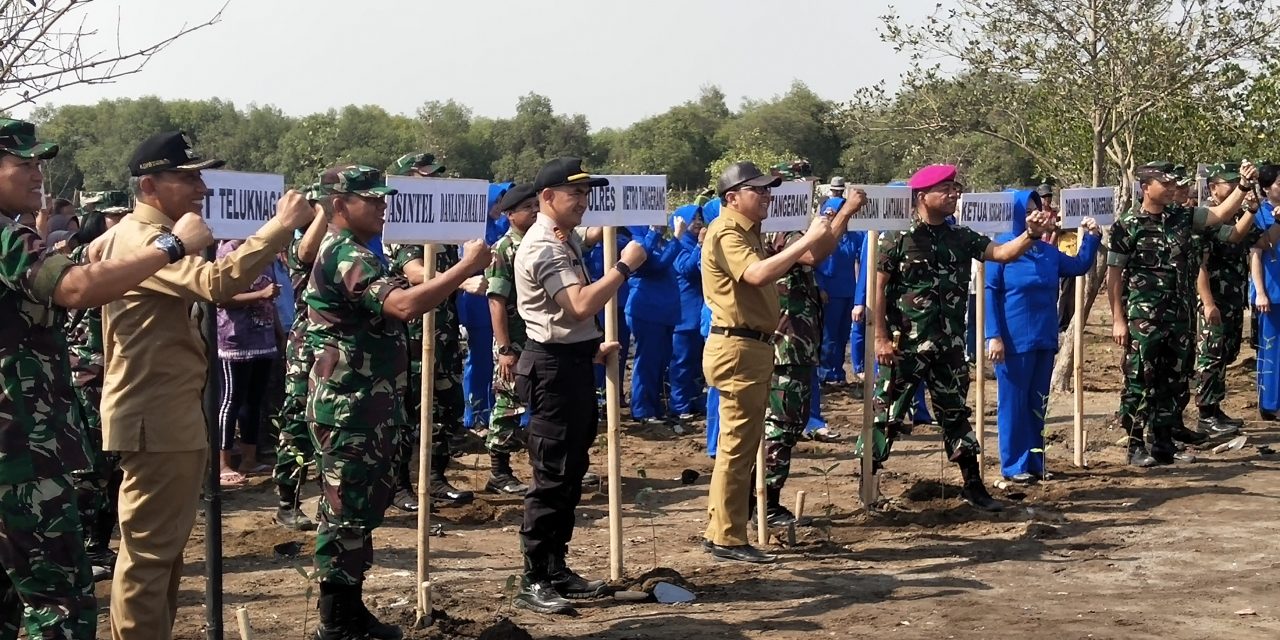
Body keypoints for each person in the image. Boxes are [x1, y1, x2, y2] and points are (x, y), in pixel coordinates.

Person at [0, 118, 217, 639]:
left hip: (21, 445)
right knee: (61, 604)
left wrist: (77, 257)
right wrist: (171, 246)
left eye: (38, 163)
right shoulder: (6, 233)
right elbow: (74, 290)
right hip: (19, 450)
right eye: (22, 163)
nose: (37, 174)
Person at [98, 130, 311, 639]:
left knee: (164, 553)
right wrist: (280, 227)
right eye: (187, 177)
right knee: (150, 555)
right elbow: (217, 283)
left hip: (167, 411)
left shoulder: (146, 236)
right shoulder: (143, 239)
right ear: (150, 185)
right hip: (155, 414)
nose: (201, 188)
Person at [305, 165, 488, 639]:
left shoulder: (363, 252)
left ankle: (349, 610)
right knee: (344, 510)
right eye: (372, 200)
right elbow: (403, 306)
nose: (384, 206)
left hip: (369, 403)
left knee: (359, 508)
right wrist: (464, 268)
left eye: (385, 198)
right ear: (340, 205)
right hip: (349, 407)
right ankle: (337, 621)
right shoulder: (345, 253)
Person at [868, 164, 1056, 512]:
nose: (954, 194)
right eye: (946, 190)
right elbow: (877, 290)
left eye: (956, 188)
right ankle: (869, 485)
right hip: (905, 346)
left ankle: (973, 485)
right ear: (922, 196)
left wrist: (1030, 235)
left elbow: (1001, 254)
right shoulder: (897, 237)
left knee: (956, 414)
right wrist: (880, 337)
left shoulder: (960, 236)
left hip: (949, 346)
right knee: (887, 413)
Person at [511, 158, 647, 614]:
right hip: (551, 370)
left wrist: (588, 348)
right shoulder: (544, 247)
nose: (584, 202)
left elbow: (565, 320)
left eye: (587, 194)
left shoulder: (561, 240)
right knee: (551, 477)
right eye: (576, 194)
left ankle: (555, 568)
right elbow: (577, 305)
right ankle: (533, 578)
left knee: (569, 473)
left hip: (568, 363)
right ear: (547, 197)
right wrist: (624, 268)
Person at [700, 161, 839, 564]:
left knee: (741, 446)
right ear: (732, 198)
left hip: (753, 345)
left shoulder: (747, 232)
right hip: (738, 346)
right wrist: (805, 239)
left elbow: (809, 256)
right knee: (737, 447)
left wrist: (828, 224)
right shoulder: (727, 232)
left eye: (768, 189)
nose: (767, 196)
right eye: (758, 190)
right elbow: (758, 275)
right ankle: (727, 537)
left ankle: (722, 529)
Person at [1108, 160, 1258, 467]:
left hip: (1179, 317)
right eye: (1166, 183)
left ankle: (1163, 442)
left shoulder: (1181, 217)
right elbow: (1114, 277)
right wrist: (1118, 320)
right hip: (1143, 320)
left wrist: (1243, 188)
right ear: (1145, 187)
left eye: (1175, 183)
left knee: (1174, 381)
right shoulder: (1127, 224)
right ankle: (1136, 444)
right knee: (1139, 379)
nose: (1172, 187)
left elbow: (1219, 215)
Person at [985, 190, 1101, 482]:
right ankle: (1013, 465)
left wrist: (1091, 238)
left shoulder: (1047, 252)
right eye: (1027, 211)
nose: (1036, 214)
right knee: (1013, 402)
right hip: (1012, 341)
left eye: (1038, 208)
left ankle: (1036, 462)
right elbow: (990, 294)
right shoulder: (1000, 249)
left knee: (1038, 401)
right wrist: (993, 335)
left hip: (1044, 337)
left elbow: (1078, 266)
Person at [762, 194, 863, 525]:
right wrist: (844, 213)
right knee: (780, 424)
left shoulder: (788, 234)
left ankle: (766, 500)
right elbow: (815, 253)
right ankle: (766, 503)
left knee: (790, 423)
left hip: (800, 347)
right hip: (783, 347)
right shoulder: (773, 236)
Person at [67, 200, 133, 582]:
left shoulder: (120, 270)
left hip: (114, 377)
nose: (121, 224)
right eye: (113, 218)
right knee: (93, 468)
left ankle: (99, 544)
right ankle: (88, 548)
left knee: (113, 467)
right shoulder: (79, 264)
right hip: (89, 379)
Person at [1194, 163, 1275, 435]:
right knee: (1210, 356)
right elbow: (1200, 267)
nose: (1234, 187)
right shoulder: (1207, 218)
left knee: (1224, 354)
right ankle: (1205, 413)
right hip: (1213, 298)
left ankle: (1215, 409)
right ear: (1213, 187)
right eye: (1228, 183)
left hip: (1232, 298)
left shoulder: (1236, 215)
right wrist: (1207, 303)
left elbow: (1262, 243)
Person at [273, 185, 330, 530]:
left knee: (328, 425)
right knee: (296, 423)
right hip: (306, 347)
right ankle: (287, 502)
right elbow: (306, 254)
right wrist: (326, 209)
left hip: (335, 349)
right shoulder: (296, 242)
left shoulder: (344, 242)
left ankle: (329, 501)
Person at [214, 238, 283, 485]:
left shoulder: (265, 252)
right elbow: (220, 298)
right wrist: (260, 294)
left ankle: (249, 458)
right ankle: (221, 464)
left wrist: (278, 332)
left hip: (262, 337)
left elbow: (271, 296)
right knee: (230, 400)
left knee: (254, 400)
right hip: (235, 339)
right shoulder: (228, 250)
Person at [485, 183, 539, 495]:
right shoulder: (504, 250)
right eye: (526, 207)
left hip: (537, 338)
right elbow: (495, 302)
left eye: (536, 205)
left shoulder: (541, 241)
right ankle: (498, 471)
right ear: (509, 215)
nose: (533, 211)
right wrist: (505, 349)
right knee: (509, 405)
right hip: (514, 342)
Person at [626, 223, 684, 426]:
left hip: (664, 312)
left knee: (660, 362)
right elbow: (655, 265)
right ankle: (642, 409)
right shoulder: (636, 239)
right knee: (647, 362)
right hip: (647, 311)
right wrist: (672, 236)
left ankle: (655, 408)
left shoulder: (659, 240)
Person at [671, 203, 708, 422]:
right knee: (681, 364)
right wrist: (700, 246)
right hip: (684, 316)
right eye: (692, 219)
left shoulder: (697, 245)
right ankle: (679, 404)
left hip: (700, 314)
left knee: (697, 364)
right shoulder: (680, 246)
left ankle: (694, 400)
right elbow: (687, 269)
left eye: (699, 219)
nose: (697, 223)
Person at [1253, 164, 1280, 421]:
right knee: (1271, 349)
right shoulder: (1260, 215)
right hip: (1272, 293)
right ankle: (1270, 403)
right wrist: (1260, 292)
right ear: (1266, 187)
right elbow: (1256, 253)